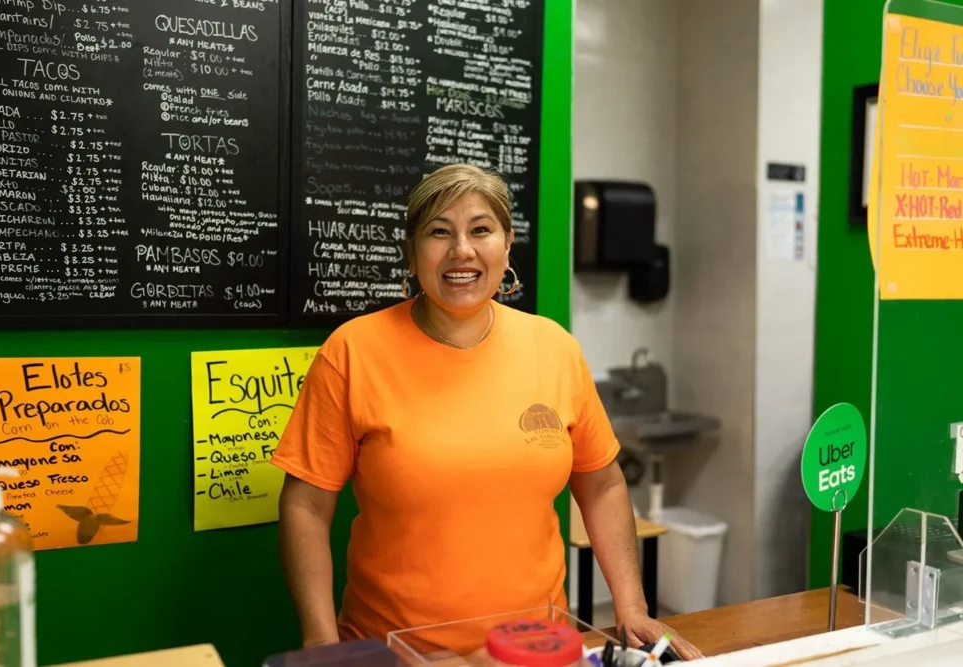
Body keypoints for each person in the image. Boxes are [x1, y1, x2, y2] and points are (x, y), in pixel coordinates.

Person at [270, 163, 702, 660]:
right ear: (411, 253)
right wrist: (322, 642)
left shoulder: (554, 348)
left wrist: (632, 606)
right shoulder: (352, 352)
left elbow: (601, 483)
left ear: (507, 244)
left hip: (535, 650)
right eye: (439, 232)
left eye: (481, 229)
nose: (462, 251)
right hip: (398, 653)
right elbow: (305, 505)